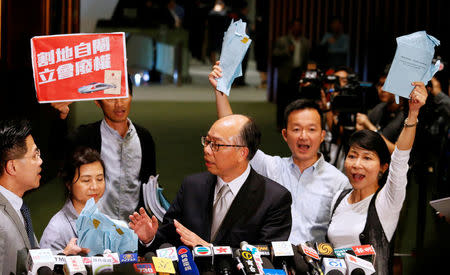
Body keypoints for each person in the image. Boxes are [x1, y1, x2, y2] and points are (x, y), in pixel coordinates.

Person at [209, 63, 350, 245]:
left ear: (322, 136)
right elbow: (234, 135)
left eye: (312, 129)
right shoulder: (272, 167)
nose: (303, 136)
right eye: (296, 129)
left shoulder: (338, 181)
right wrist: (220, 90)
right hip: (272, 263)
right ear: (285, 135)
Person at [129, 114, 292, 250]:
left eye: (216, 145)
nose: (206, 150)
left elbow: (267, 256)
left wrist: (209, 250)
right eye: (207, 141)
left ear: (242, 153)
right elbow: (169, 238)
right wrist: (149, 238)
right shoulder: (192, 186)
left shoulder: (274, 198)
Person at [327, 82, 428, 274]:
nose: (357, 164)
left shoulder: (387, 201)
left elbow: (400, 158)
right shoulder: (338, 198)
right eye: (352, 156)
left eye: (367, 158)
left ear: (383, 167)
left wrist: (413, 113)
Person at [50, 78, 156, 222]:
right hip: (95, 228)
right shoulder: (85, 137)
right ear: (97, 101)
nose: (119, 104)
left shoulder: (144, 138)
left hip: (134, 231)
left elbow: (149, 185)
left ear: (131, 96)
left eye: (124, 95)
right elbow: (56, 156)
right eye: (111, 98)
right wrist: (60, 118)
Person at [0, 119, 86, 274]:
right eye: (34, 155)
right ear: (12, 167)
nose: (40, 161)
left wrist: (62, 256)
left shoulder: (19, 207)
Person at [40, 146, 106, 254]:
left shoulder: (104, 218)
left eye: (99, 179)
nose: (95, 186)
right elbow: (44, 268)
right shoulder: (56, 228)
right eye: (86, 180)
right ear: (69, 184)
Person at [272, 18, 310, 129]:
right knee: (282, 101)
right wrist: (287, 51)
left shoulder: (305, 42)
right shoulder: (282, 40)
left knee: (297, 100)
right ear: (291, 27)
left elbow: (307, 60)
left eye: (299, 26)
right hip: (285, 74)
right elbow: (275, 55)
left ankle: (293, 123)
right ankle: (280, 124)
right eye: (295, 26)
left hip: (299, 73)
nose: (297, 28)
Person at [356, 73, 406, 153]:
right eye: (380, 85)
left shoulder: (406, 115)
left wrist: (369, 126)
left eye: (386, 84)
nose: (382, 89)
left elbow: (397, 152)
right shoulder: (380, 108)